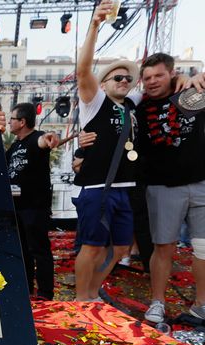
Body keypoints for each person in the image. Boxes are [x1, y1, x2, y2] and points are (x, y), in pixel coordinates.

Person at [72, 0, 140, 301]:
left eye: (128, 78)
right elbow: (83, 69)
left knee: (122, 247)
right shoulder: (94, 101)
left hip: (126, 187)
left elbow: (165, 82)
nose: (124, 81)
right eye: (118, 77)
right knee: (92, 246)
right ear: (104, 83)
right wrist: (95, 26)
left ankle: (91, 291)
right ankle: (81, 299)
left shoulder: (131, 107)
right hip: (98, 186)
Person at [136, 53, 205, 323]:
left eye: (159, 75)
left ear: (172, 73)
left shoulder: (191, 93)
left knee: (202, 248)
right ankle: (157, 302)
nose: (153, 82)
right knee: (163, 247)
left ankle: (201, 305)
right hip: (162, 187)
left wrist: (196, 78)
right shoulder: (140, 107)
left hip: (200, 182)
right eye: (148, 77)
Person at [6, 103, 59, 300]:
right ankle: (27, 289)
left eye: (12, 119)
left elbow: (45, 141)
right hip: (17, 207)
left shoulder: (35, 138)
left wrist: (50, 138)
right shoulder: (15, 146)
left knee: (39, 250)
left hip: (35, 207)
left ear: (22, 122)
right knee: (23, 251)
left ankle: (46, 293)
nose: (10, 122)